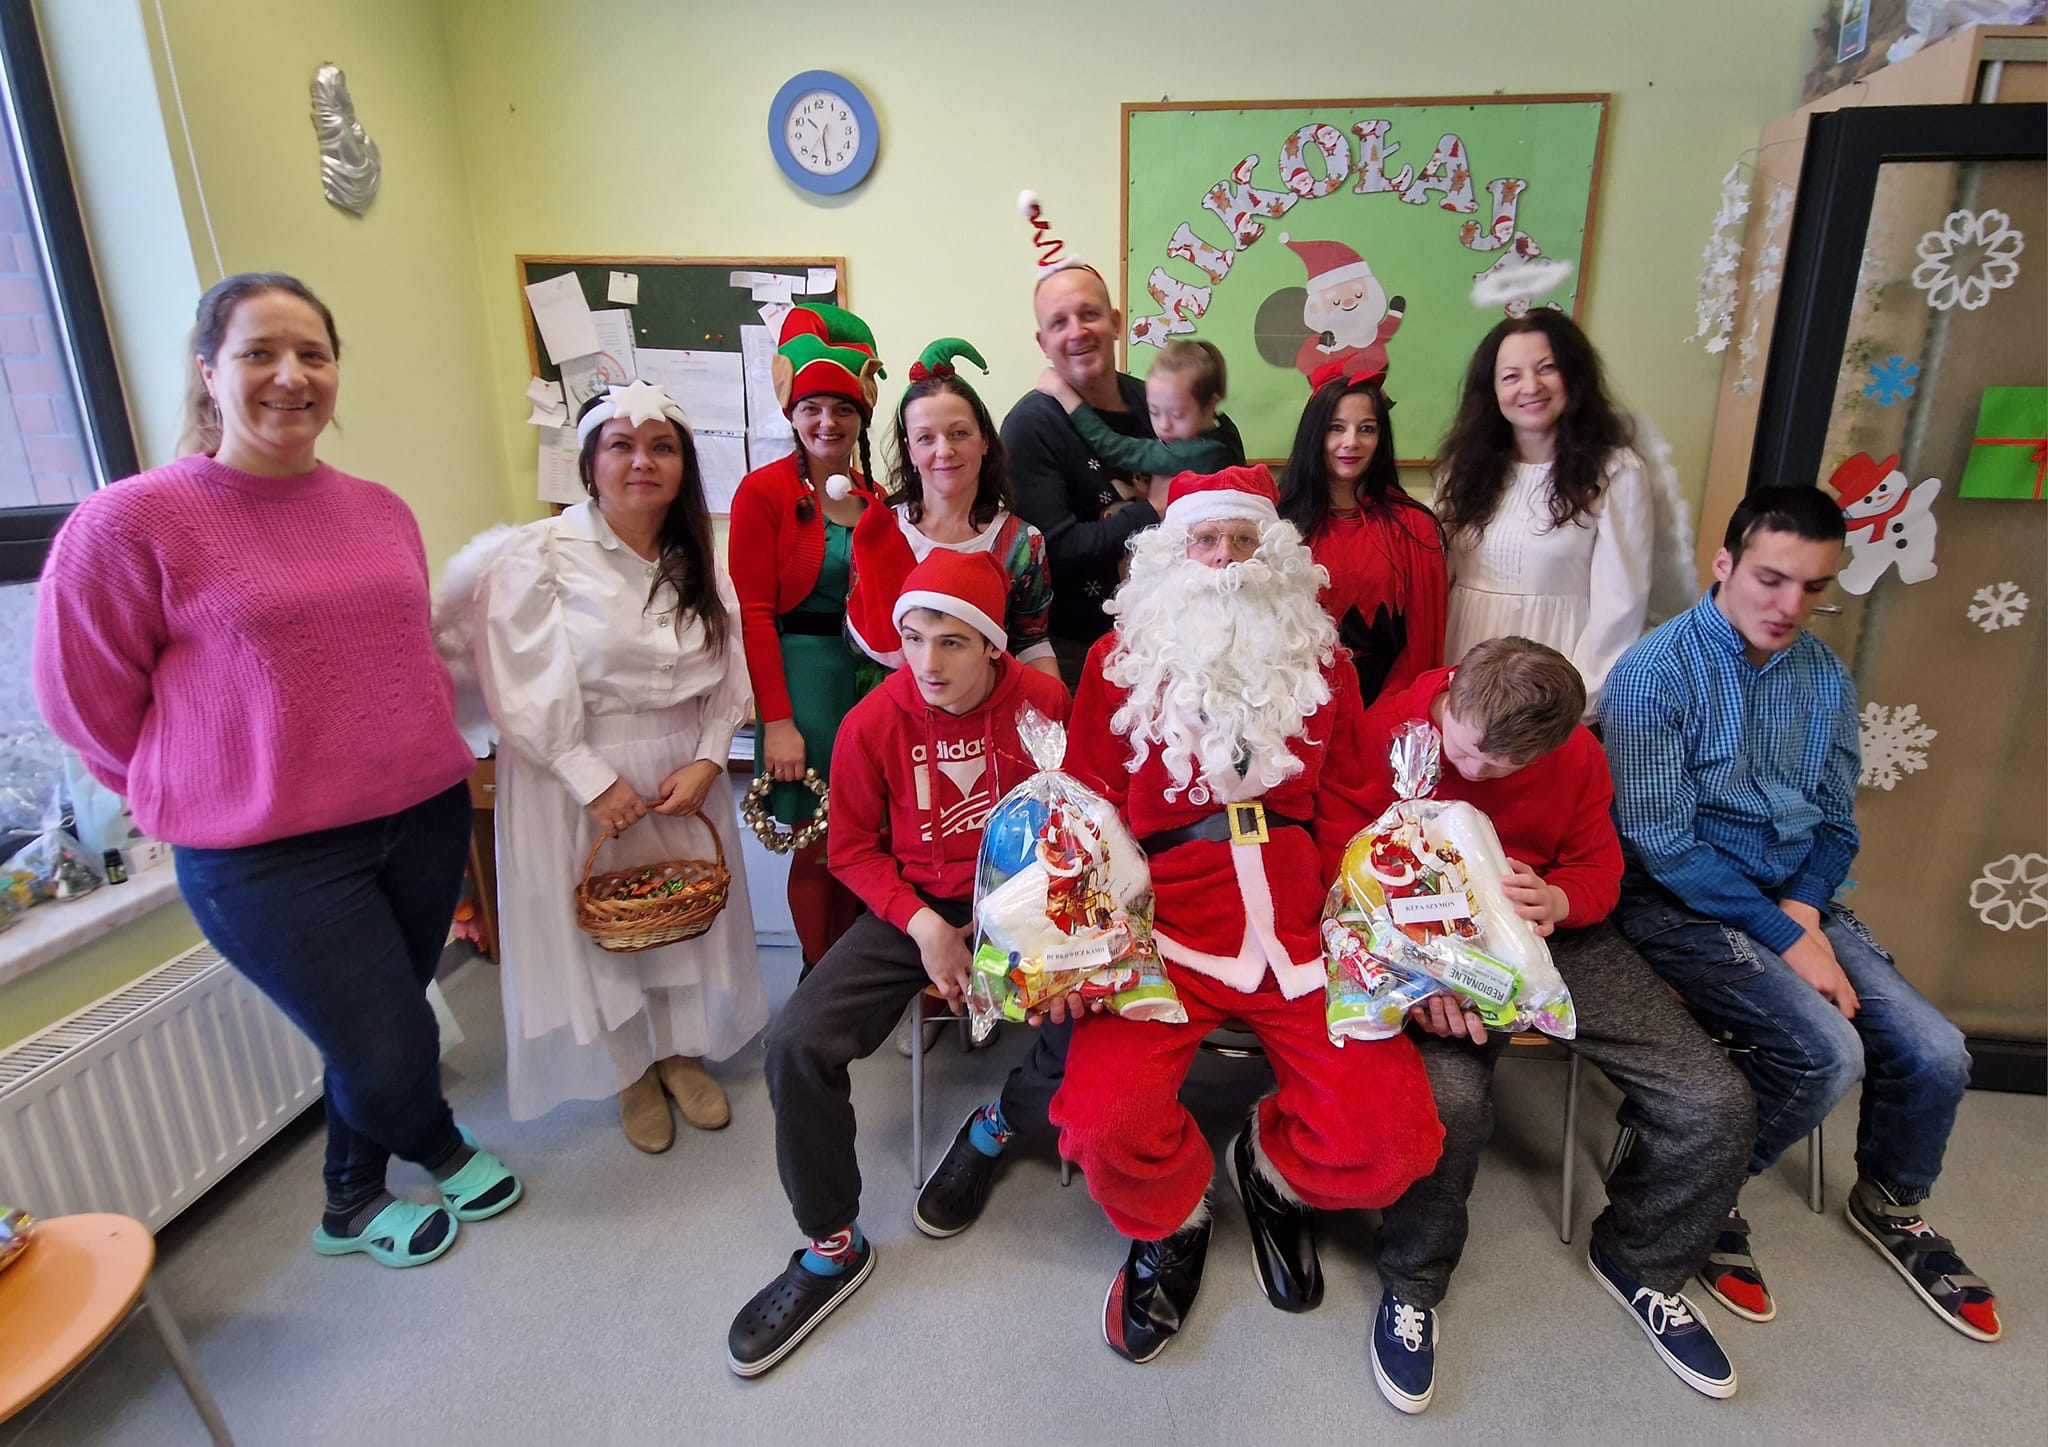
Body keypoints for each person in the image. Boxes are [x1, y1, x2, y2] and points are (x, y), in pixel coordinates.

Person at [34, 272, 520, 1268]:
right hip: (266, 853)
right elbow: (82, 701)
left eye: (312, 354)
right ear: (209, 371)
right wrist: (185, 788)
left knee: (377, 1020)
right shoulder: (130, 522)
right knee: (389, 1040)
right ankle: (438, 1144)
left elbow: (400, 657)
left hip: (419, 812)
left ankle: (349, 1200)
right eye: (259, 352)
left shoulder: (379, 511)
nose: (291, 376)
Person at [1051, 465, 1444, 1365]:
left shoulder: (1324, 663)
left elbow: (1350, 804)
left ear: (1275, 554)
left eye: (1243, 539)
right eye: (1206, 539)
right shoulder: (1118, 662)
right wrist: (1082, 945)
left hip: (1302, 927)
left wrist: (1369, 927)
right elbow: (1083, 808)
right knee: (1103, 1123)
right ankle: (1172, 1218)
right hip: (1166, 926)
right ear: (1172, 553)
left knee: (1394, 1140)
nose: (1226, 559)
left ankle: (1268, 1169)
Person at [1602, 486, 1999, 1343]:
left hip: (1793, 899)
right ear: (1725, 564)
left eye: (1812, 586)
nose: (1789, 604)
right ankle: (1689, 1185)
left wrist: (1805, 915)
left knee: (1937, 1051)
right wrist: (1791, 938)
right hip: (1677, 905)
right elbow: (1664, 846)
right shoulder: (1651, 674)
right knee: (1828, 1052)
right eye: (1771, 578)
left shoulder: (1824, 675)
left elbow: (1836, 822)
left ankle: (1891, 1199)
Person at [1363, 638, 1752, 1413]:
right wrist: (1418, 976)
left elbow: (1600, 871)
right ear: (1453, 693)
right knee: (1450, 1102)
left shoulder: (1576, 756)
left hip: (1552, 939)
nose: (1475, 772)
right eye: (1464, 750)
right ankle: (1413, 1282)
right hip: (1425, 942)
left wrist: (1560, 898)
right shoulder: (1386, 729)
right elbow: (1342, 870)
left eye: (1502, 767)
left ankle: (1643, 1260)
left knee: (1715, 1099)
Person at [728, 551, 1072, 1378]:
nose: (927, 662)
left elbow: (1078, 819)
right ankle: (832, 1243)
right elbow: (851, 849)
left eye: (951, 642)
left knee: (1093, 1018)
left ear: (992, 645)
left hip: (1023, 899)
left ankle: (995, 1126)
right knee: (796, 1042)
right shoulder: (873, 720)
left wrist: (1025, 918)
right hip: (911, 906)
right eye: (913, 638)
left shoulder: (1045, 704)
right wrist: (925, 927)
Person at [472, 380, 766, 1153]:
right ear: (590, 462)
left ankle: (681, 1052)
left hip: (678, 767)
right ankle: (629, 1068)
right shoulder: (541, 555)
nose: (644, 462)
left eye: (662, 447)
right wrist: (589, 779)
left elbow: (730, 665)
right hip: (580, 767)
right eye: (622, 446)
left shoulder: (697, 558)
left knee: (677, 912)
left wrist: (709, 757)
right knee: (605, 923)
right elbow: (518, 675)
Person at [1001, 197, 1244, 681]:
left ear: (1115, 321)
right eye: (1059, 323)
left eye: (1089, 314)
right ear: (1042, 342)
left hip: (1193, 645)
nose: (1077, 332)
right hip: (1081, 654)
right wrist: (1152, 508)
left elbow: (1237, 514)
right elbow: (1052, 551)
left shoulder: (1165, 403)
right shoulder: (1030, 427)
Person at [729, 302, 886, 969]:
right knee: (818, 843)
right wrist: (779, 723)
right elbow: (755, 614)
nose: (828, 422)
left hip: (865, 684)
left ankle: (854, 973)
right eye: (813, 407)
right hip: (801, 683)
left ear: (862, 417)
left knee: (866, 839)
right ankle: (818, 977)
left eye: (843, 409)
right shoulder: (761, 492)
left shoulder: (877, 497)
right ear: (792, 414)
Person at [1433, 312, 1652, 717]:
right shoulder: (1462, 469)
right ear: (1492, 389)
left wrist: (1577, 704)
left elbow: (1621, 605)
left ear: (1574, 375)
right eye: (1511, 376)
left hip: (1556, 669)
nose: (1531, 387)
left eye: (1547, 368)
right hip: (1462, 662)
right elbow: (1435, 578)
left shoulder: (1616, 471)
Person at [841, 339, 1060, 682]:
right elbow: (856, 640)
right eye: (926, 438)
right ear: (909, 450)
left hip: (990, 707)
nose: (944, 450)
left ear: (984, 440)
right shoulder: (879, 531)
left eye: (959, 433)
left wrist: (1053, 703)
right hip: (896, 704)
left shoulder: (1022, 543)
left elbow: (1031, 641)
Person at [1278, 362, 1447, 708]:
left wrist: (1389, 713)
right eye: (1336, 428)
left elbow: (1422, 643)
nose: (1351, 442)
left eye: (1366, 429)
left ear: (1381, 438)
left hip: (1388, 703)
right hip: (1299, 704)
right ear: (1314, 434)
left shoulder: (1414, 526)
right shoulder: (1279, 525)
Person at [1033, 338, 1240, 501]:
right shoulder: (1222, 427)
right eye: (1154, 411)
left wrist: (1063, 393)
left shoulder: (1204, 452)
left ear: (1211, 404)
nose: (1164, 425)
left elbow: (1115, 449)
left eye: (1177, 414)